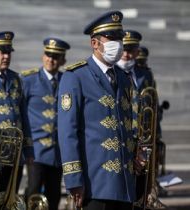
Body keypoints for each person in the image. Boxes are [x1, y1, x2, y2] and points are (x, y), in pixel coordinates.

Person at [58, 11, 142, 210]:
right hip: (94, 184)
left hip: (124, 184)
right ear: (95, 43)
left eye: (120, 38)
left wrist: (137, 153)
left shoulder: (123, 77)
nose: (118, 44)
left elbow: (127, 125)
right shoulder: (75, 76)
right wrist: (73, 179)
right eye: (112, 38)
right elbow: (67, 132)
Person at [22, 37, 70, 210]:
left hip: (57, 153)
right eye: (48, 55)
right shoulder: (28, 80)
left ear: (63, 60)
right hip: (36, 151)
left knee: (54, 196)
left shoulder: (67, 80)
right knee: (33, 194)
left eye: (56, 56)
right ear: (43, 56)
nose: (51, 59)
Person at [0, 31, 34, 193]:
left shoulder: (16, 79)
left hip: (15, 155)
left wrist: (29, 149)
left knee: (10, 198)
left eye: (8, 52)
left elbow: (23, 116)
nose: (6, 56)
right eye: (1, 52)